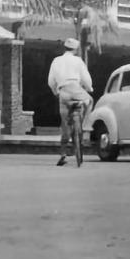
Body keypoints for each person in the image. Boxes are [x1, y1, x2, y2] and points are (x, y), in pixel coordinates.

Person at [47, 38, 94, 166]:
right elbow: (86, 79)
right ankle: (85, 125)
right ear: (76, 49)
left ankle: (63, 153)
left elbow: (51, 81)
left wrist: (56, 92)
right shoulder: (78, 61)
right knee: (90, 100)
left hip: (63, 93)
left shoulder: (56, 61)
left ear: (64, 48)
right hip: (76, 90)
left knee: (65, 124)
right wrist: (89, 88)